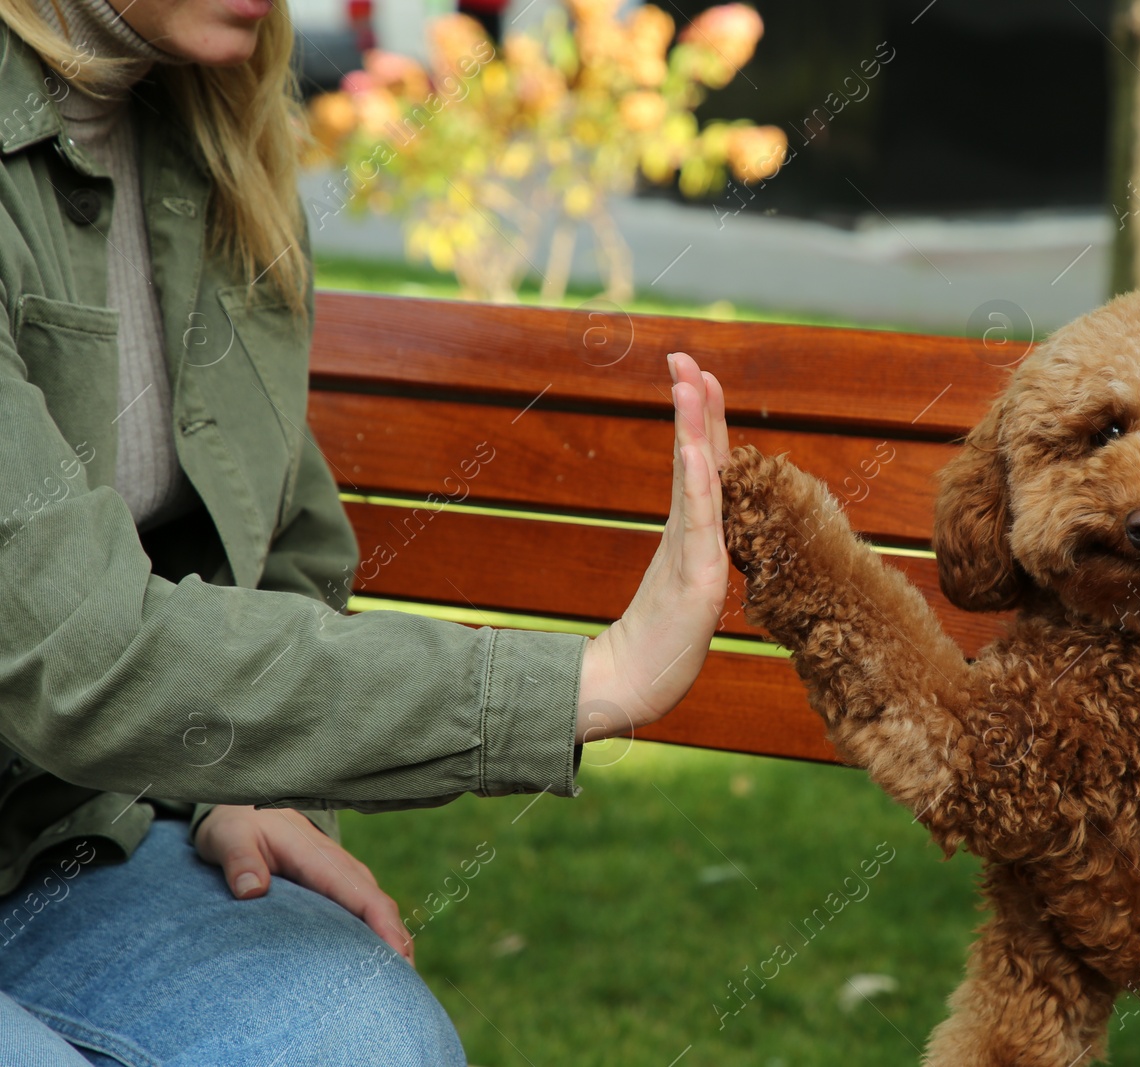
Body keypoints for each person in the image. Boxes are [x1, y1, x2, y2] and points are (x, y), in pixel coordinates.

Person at [0, 1, 731, 1063]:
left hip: (60, 842)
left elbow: (276, 535)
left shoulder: (212, 148)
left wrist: (246, 782)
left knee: (369, 1044)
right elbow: (78, 651)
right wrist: (582, 681)